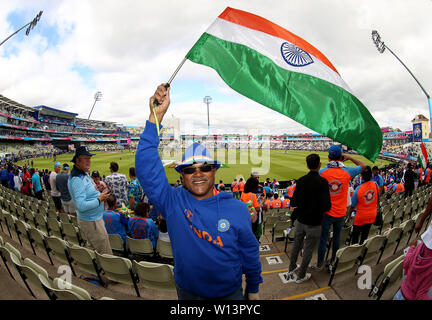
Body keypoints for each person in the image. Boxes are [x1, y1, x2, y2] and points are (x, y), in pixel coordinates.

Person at [135, 83, 262, 300]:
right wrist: (155, 117)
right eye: (189, 170)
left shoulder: (238, 208)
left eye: (204, 167)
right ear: (181, 176)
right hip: (187, 293)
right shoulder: (172, 201)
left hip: (231, 294)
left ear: (214, 171)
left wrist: (253, 289)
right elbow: (146, 169)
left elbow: (250, 253)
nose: (198, 174)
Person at [313, 145, 365, 270]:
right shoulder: (348, 171)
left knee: (323, 239)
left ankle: (319, 263)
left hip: (326, 212)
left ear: (329, 157)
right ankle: (333, 261)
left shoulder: (322, 172)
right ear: (341, 157)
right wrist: (350, 158)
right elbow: (364, 166)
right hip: (341, 212)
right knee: (336, 238)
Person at [288, 154, 331, 283]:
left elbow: (294, 202)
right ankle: (301, 276)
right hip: (315, 222)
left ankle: (291, 268)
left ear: (307, 165)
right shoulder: (323, 182)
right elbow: (327, 206)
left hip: (301, 220)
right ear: (319, 165)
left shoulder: (300, 181)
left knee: (296, 245)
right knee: (308, 249)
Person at [68, 146, 112, 254]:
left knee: (92, 248)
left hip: (93, 219)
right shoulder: (77, 179)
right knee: (106, 254)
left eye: (89, 158)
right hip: (92, 222)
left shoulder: (83, 173)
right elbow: (81, 206)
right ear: (77, 161)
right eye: (85, 158)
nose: (89, 161)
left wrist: (99, 193)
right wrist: (99, 199)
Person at [393, 225, 432, 300]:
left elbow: (406, 264)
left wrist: (412, 248)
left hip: (400, 293)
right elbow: (420, 295)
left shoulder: (421, 246)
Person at [348, 166, 379, 245]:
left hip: (360, 217)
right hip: (372, 215)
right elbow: (377, 197)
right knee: (364, 236)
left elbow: (352, 206)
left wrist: (349, 216)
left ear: (362, 176)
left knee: (355, 239)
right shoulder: (376, 185)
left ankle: (353, 253)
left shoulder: (359, 188)